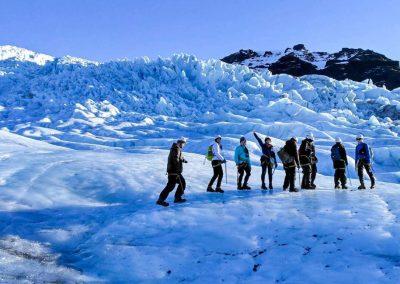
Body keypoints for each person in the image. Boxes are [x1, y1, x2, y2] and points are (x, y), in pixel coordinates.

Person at [156, 137, 188, 207]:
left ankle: (162, 199)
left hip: (173, 171)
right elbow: (175, 159)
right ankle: (176, 198)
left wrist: (183, 160)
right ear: (180, 143)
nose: (183, 145)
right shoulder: (176, 149)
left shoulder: (176, 148)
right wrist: (178, 170)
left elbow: (178, 158)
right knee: (179, 184)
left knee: (171, 186)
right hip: (174, 171)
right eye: (183, 144)